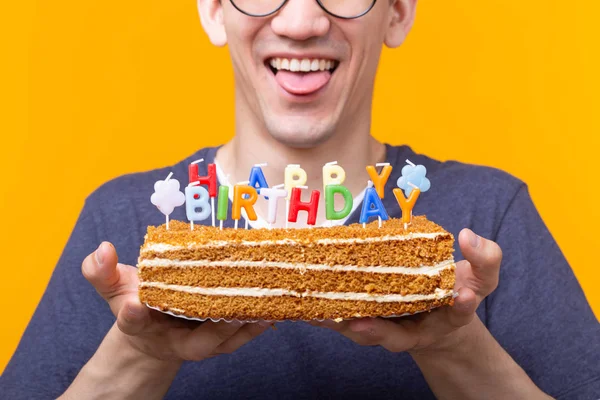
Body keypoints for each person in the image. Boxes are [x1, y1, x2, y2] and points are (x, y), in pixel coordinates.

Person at [2, 0, 599, 398]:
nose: (301, 22)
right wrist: (138, 356)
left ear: (396, 12)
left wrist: (455, 346)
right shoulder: (118, 222)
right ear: (213, 10)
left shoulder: (488, 215)